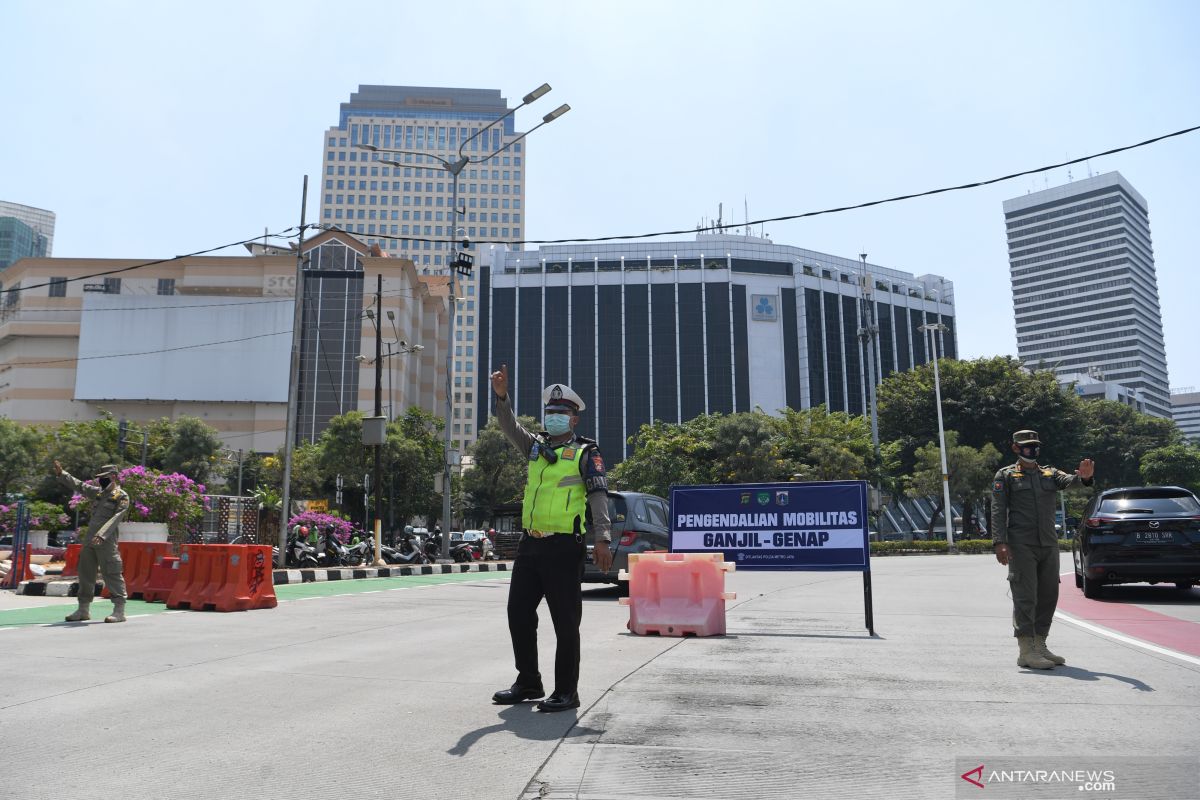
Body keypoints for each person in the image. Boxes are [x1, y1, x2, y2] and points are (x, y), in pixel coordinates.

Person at [489, 365, 613, 712]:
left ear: (574, 420)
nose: (554, 417)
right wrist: (502, 398)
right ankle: (529, 681)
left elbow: (598, 496)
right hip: (531, 545)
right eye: (550, 412)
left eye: (561, 413)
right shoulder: (535, 447)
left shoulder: (588, 453)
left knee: (565, 621)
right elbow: (509, 427)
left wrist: (602, 537)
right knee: (518, 613)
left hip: (563, 547)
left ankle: (566, 692)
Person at [990, 430, 1094, 669]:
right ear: (1016, 448)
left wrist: (1084, 478)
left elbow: (1070, 481)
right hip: (1021, 544)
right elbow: (998, 509)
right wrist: (1000, 542)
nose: (1032, 449)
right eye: (1027, 446)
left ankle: (1040, 645)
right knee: (1026, 597)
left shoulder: (1049, 472)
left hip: (1048, 543)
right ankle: (1026, 650)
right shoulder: (1006, 475)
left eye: (1035, 445)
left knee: (1048, 595)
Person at [53, 462, 130, 623]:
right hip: (90, 540)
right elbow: (80, 486)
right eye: (99, 478)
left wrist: (102, 535)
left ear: (114, 477)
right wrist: (63, 474)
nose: (100, 481)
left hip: (106, 541)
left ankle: (119, 611)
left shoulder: (121, 496)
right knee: (85, 573)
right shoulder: (98, 493)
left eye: (104, 478)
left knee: (112, 573)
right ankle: (83, 610)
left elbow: (116, 518)